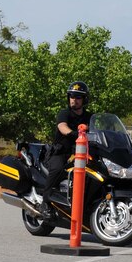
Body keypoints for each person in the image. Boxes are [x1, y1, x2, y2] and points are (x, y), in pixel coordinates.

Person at [41, 81, 93, 218]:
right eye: (71, 96)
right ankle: (45, 202)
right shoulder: (64, 113)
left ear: (84, 100)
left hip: (80, 153)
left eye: (78, 97)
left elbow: (98, 130)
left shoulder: (89, 117)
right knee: (58, 170)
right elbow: (62, 127)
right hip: (60, 153)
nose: (73, 100)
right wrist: (72, 133)